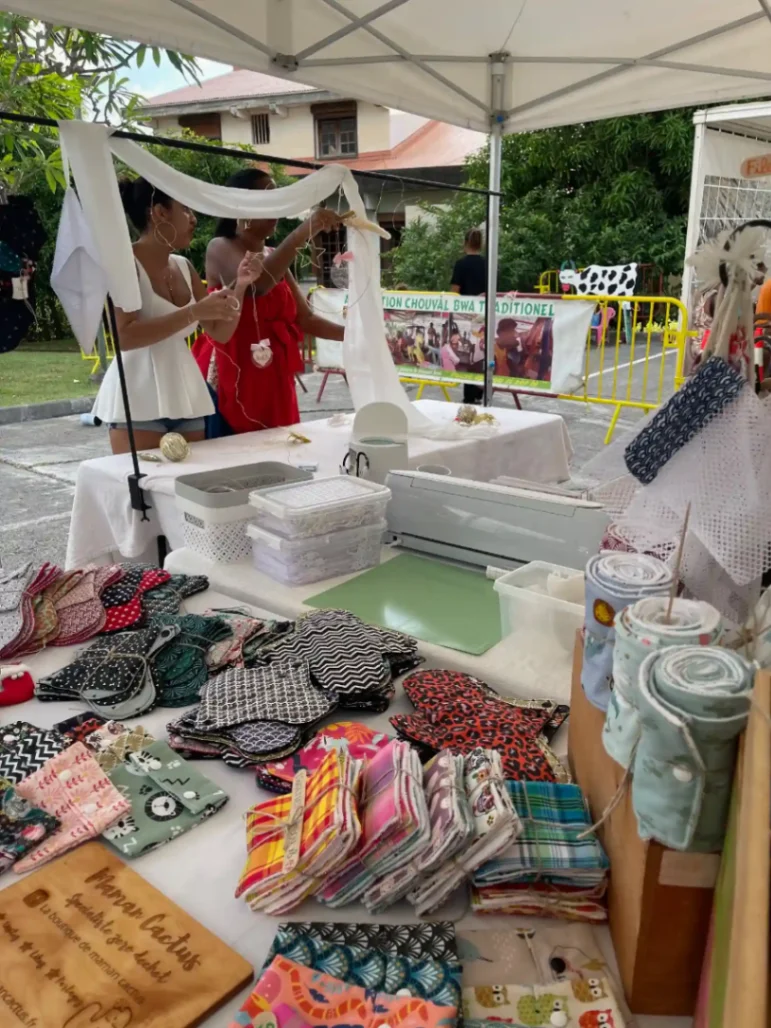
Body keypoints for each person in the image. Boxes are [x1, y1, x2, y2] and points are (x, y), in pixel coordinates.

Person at [92, 178, 242, 455]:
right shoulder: (125, 264)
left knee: (191, 484)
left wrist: (242, 284)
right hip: (138, 396)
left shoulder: (184, 266)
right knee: (146, 489)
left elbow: (220, 332)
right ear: (160, 212)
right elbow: (124, 336)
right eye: (185, 209)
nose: (193, 219)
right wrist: (194, 311)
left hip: (185, 392)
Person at [193, 168, 345, 435]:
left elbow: (305, 318)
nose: (275, 207)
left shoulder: (274, 256)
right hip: (237, 370)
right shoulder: (220, 246)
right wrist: (301, 233)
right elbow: (259, 285)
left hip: (274, 374)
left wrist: (354, 335)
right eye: (267, 199)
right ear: (241, 205)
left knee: (282, 446)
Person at [451, 229, 487, 402]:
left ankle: (469, 395)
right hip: (485, 314)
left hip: (466, 315)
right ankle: (482, 391)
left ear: (464, 243)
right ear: (481, 244)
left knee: (469, 354)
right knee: (482, 353)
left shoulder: (461, 264)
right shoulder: (488, 263)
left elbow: (455, 291)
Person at [450, 228, 487, 296]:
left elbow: (454, 293)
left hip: (465, 306)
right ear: (481, 244)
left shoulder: (460, 264)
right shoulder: (488, 265)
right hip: (485, 305)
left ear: (465, 242)